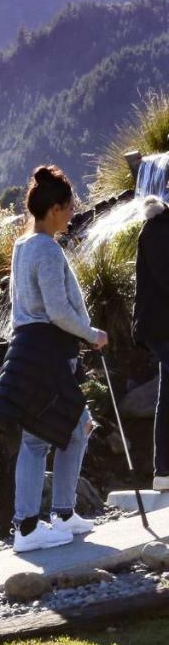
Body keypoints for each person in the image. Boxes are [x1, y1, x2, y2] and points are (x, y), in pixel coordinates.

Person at [0, 166, 108, 554]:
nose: (72, 214)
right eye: (69, 208)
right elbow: (56, 310)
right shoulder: (47, 249)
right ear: (55, 208)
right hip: (47, 352)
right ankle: (28, 527)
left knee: (77, 427)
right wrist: (92, 333)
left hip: (36, 350)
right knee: (38, 440)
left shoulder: (24, 245)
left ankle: (64, 514)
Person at [134, 186, 169, 490]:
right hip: (161, 326)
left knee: (167, 395)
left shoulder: (157, 227)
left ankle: (163, 472)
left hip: (158, 327)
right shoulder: (158, 229)